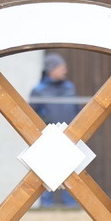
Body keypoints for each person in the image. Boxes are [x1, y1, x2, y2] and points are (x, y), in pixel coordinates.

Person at [30, 52, 80, 207]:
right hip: (48, 139)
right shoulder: (39, 90)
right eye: (61, 67)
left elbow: (76, 110)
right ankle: (46, 206)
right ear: (51, 70)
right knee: (46, 173)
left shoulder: (70, 87)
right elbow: (31, 115)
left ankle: (71, 205)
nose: (65, 70)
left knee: (71, 171)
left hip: (69, 138)